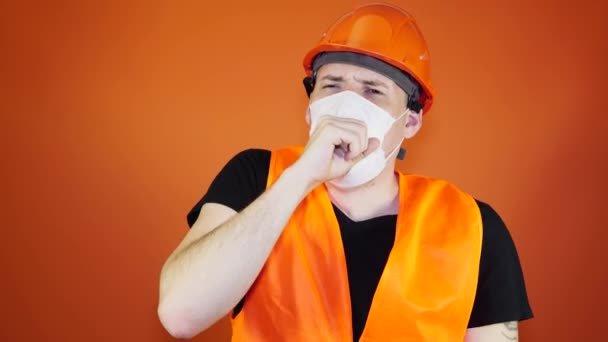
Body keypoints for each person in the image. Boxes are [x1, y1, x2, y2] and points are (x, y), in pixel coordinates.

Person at [157, 3, 533, 341]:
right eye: (332, 86)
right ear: (310, 109)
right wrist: (302, 175)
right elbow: (179, 315)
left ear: (411, 122)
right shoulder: (258, 176)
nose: (348, 104)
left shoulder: (471, 226)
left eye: (373, 91)